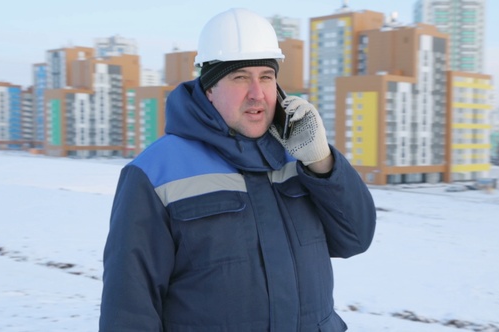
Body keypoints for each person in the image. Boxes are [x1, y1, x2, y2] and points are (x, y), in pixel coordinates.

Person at [99, 7, 376, 332]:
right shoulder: (156, 173)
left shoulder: (300, 155)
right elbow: (130, 307)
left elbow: (355, 238)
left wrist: (322, 162)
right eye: (240, 77)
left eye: (266, 77)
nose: (257, 93)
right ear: (209, 89)